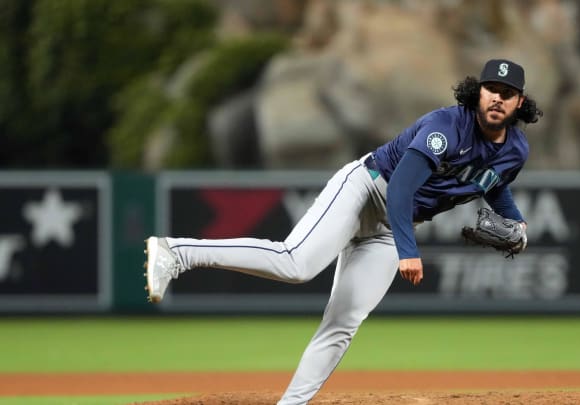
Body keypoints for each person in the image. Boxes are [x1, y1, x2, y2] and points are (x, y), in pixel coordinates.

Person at [144, 58, 543, 405]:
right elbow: (403, 187)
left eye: (507, 93)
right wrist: (408, 250)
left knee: (344, 322)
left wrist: (517, 221)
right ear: (478, 91)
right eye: (492, 88)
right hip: (366, 189)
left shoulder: (516, 151)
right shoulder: (446, 126)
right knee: (295, 263)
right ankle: (177, 252)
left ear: (519, 103)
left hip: (392, 226)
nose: (497, 98)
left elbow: (493, 184)